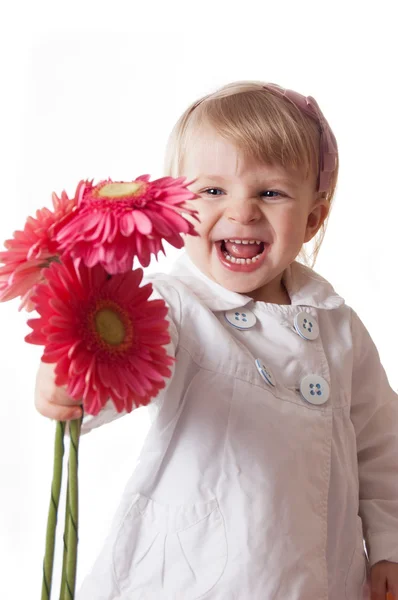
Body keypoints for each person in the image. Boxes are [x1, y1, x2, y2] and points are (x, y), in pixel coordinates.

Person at [34, 81, 398, 600]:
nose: (242, 211)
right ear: (177, 207)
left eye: (270, 193)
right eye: (212, 191)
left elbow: (383, 444)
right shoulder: (175, 306)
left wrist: (389, 547)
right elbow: (127, 357)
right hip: (197, 573)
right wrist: (74, 379)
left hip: (322, 575)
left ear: (313, 218)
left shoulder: (339, 327)